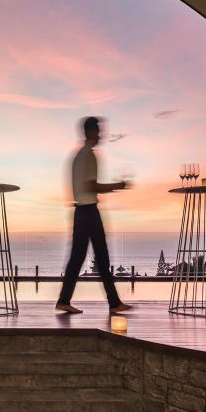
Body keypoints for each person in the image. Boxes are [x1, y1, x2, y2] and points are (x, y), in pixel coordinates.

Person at [56, 117, 133, 314]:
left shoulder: (78, 156)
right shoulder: (88, 155)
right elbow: (91, 185)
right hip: (89, 211)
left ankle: (64, 300)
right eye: (98, 131)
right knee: (101, 257)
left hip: (81, 211)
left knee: (78, 258)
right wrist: (118, 185)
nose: (100, 135)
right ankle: (114, 303)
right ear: (90, 132)